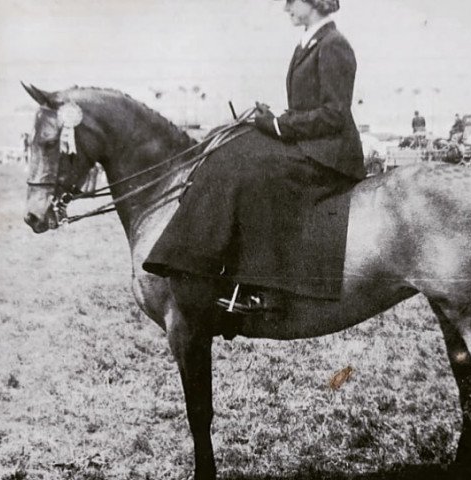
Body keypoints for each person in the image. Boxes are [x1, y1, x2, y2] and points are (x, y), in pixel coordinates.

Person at [143, 0, 364, 317]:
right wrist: (269, 117)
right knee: (232, 154)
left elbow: (334, 115)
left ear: (313, 2)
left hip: (328, 154)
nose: (286, 8)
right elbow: (307, 107)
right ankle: (196, 263)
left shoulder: (334, 45)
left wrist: (278, 125)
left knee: (250, 173)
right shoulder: (309, 42)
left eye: (292, 2)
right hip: (310, 143)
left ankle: (265, 289)